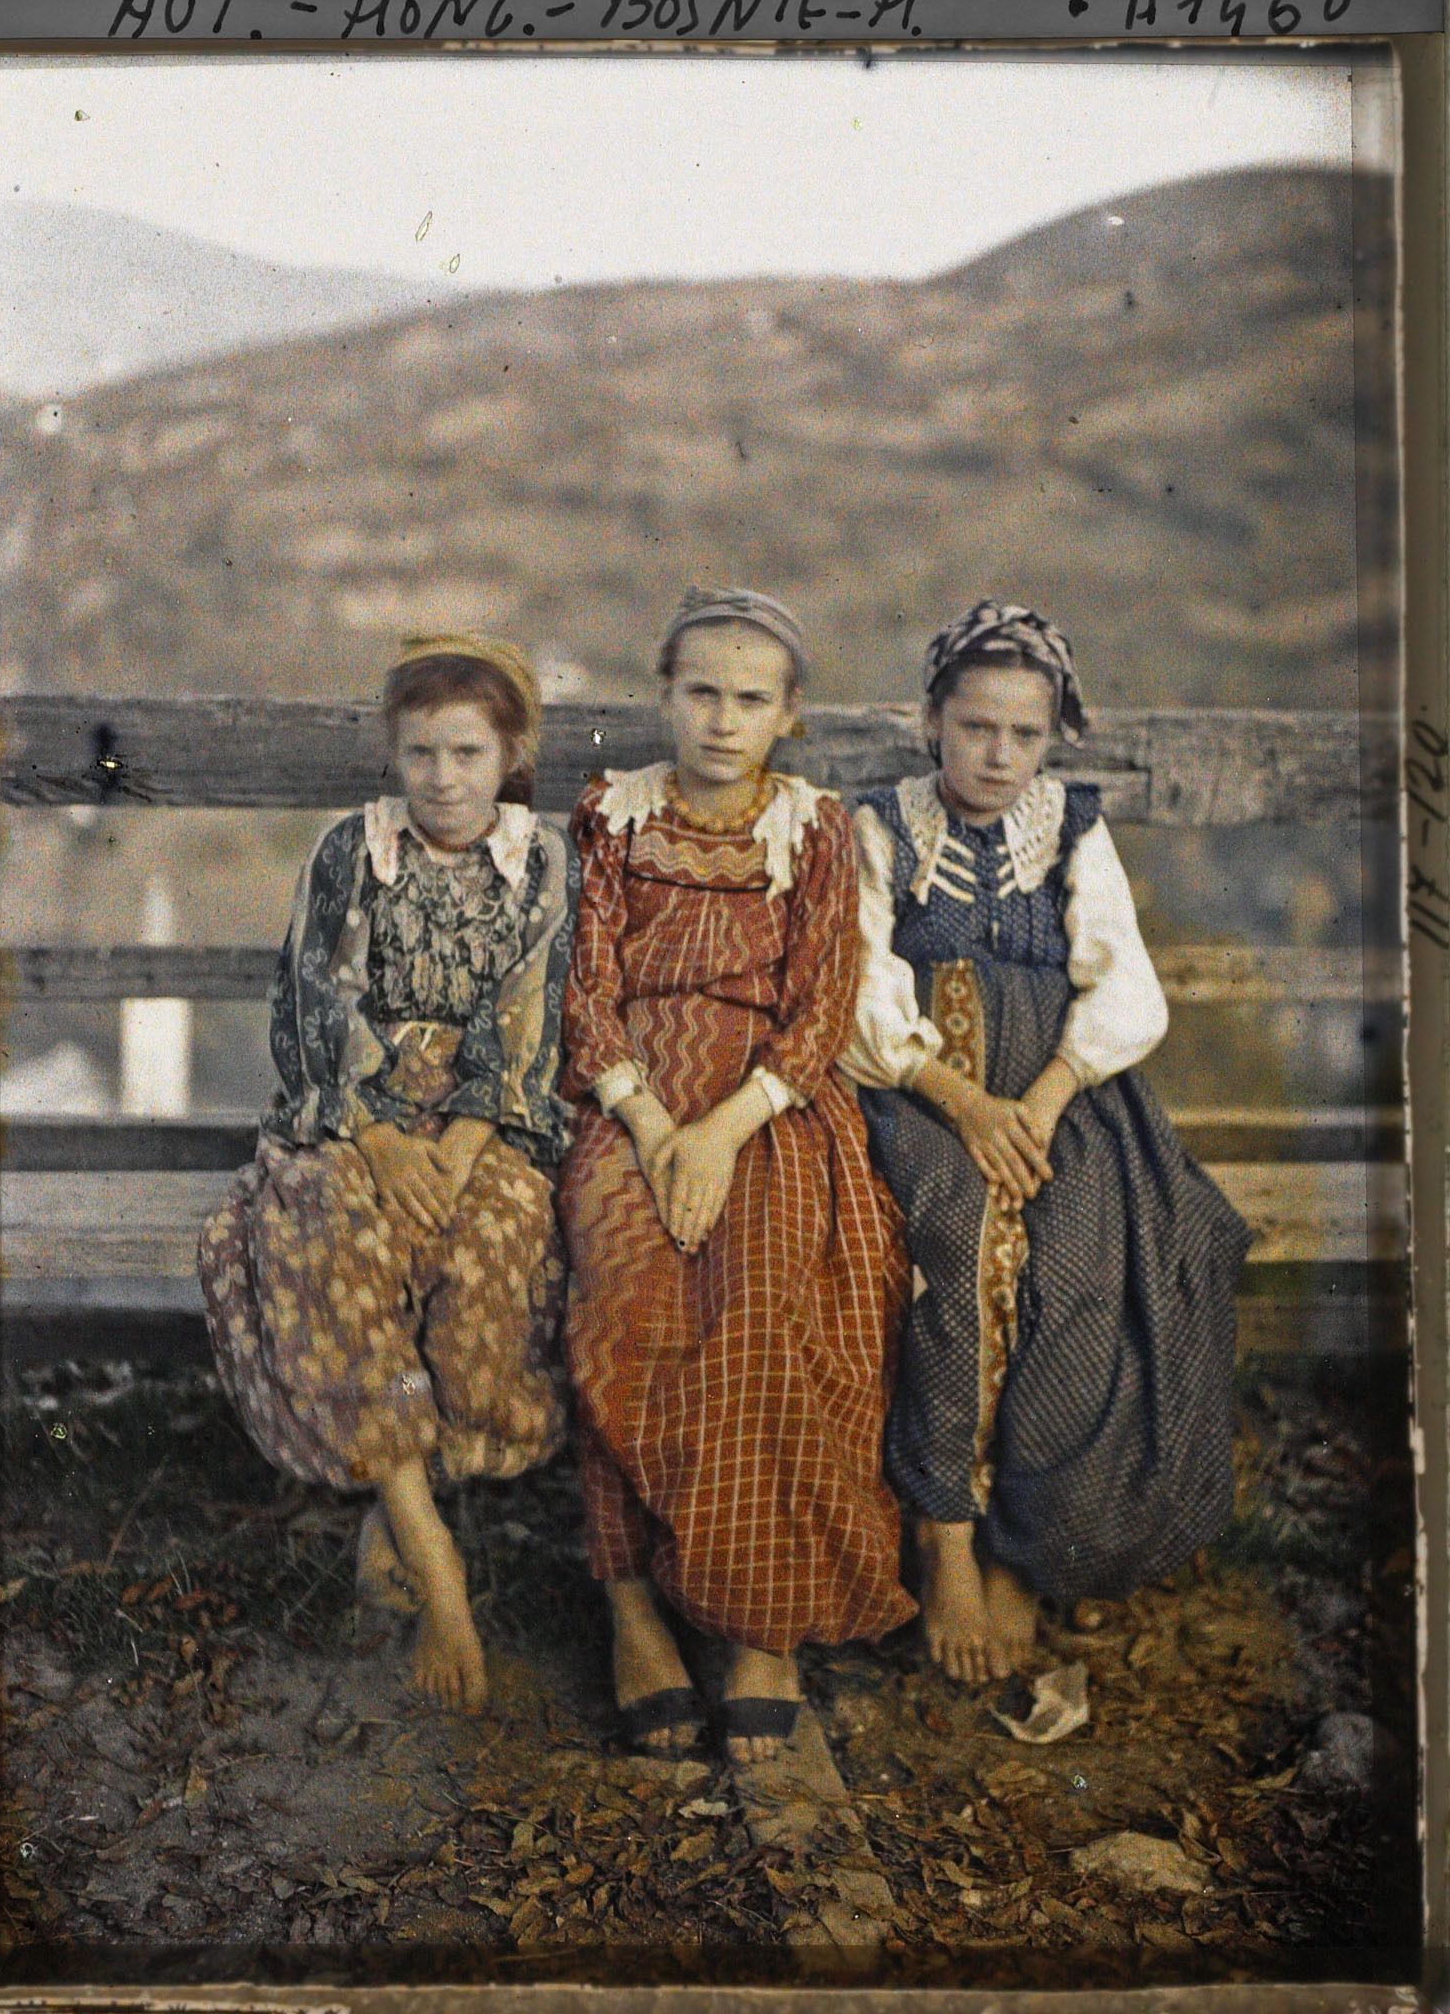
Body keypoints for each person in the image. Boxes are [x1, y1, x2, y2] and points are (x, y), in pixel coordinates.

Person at [843, 599, 1250, 1685]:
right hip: (917, 1094)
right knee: (952, 1236)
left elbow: (1122, 979)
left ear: (1051, 735)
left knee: (1079, 1253)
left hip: (1058, 1095)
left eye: (1023, 734)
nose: (999, 754)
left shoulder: (1068, 827)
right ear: (932, 718)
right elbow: (856, 982)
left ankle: (1027, 1538)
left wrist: (1047, 1093)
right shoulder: (879, 825)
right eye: (976, 727)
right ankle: (943, 1532)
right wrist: (961, 1104)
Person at [559, 587, 915, 1765]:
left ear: (788, 714)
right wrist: (652, 1124)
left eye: (750, 699)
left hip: (770, 1103)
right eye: (699, 691)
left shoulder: (813, 831)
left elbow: (819, 1013)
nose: (721, 719)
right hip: (633, 1098)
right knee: (624, 1280)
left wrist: (718, 1132)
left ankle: (765, 1624)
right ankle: (632, 1603)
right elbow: (588, 991)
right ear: (663, 696)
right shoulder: (613, 818)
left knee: (777, 1284)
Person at [199, 633, 577, 1712]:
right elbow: (317, 1000)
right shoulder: (350, 852)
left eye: (467, 753)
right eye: (422, 754)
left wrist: (460, 1142)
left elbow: (531, 1011)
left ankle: (397, 1489)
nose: (444, 779)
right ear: (394, 754)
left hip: (483, 1119)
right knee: (328, 1228)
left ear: (509, 752)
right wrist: (374, 1135)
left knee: (493, 1240)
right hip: (348, 1113)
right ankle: (431, 1544)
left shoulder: (541, 860)